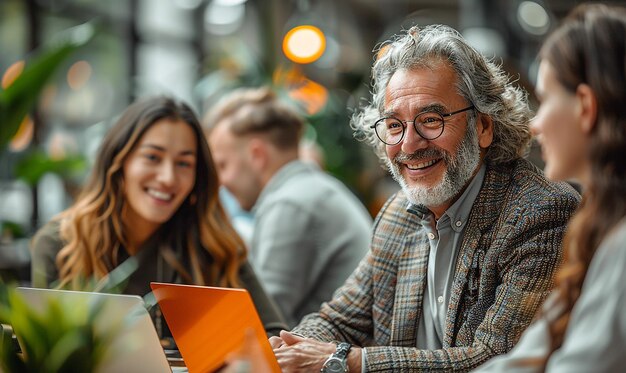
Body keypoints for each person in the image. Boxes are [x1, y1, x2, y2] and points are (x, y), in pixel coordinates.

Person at [270, 23, 581, 372]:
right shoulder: (398, 214)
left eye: (430, 120)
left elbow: (497, 358)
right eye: (393, 125)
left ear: (483, 126)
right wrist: (285, 350)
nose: (408, 145)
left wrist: (350, 361)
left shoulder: (540, 213)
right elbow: (339, 320)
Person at [30, 96, 286, 336]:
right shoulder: (62, 243)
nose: (168, 178)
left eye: (184, 163)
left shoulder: (215, 246)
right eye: (152, 157)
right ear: (119, 162)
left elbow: (273, 337)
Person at [473, 4, 626, 372]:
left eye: (544, 100)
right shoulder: (601, 224)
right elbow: (523, 360)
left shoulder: (620, 244)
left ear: (586, 107)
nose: (535, 124)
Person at [203, 87, 373, 327]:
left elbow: (261, 321)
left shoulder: (290, 203)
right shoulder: (313, 190)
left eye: (222, 165)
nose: (220, 182)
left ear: (257, 155)